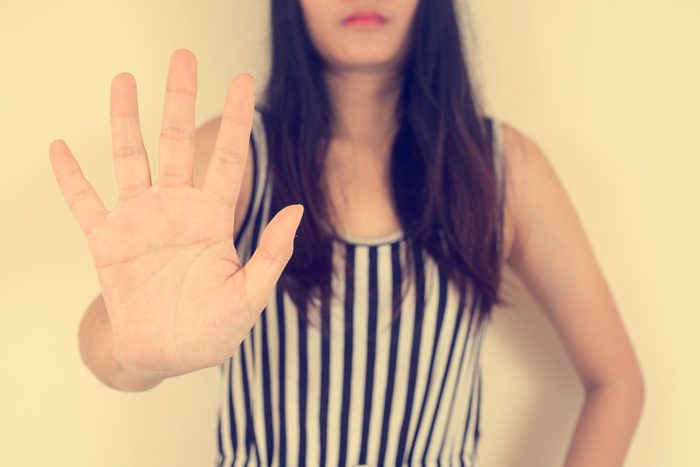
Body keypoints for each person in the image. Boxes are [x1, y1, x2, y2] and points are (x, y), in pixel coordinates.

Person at [48, 0, 645, 466]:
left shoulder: (502, 168)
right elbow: (104, 346)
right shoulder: (234, 160)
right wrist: (136, 350)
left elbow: (617, 381)